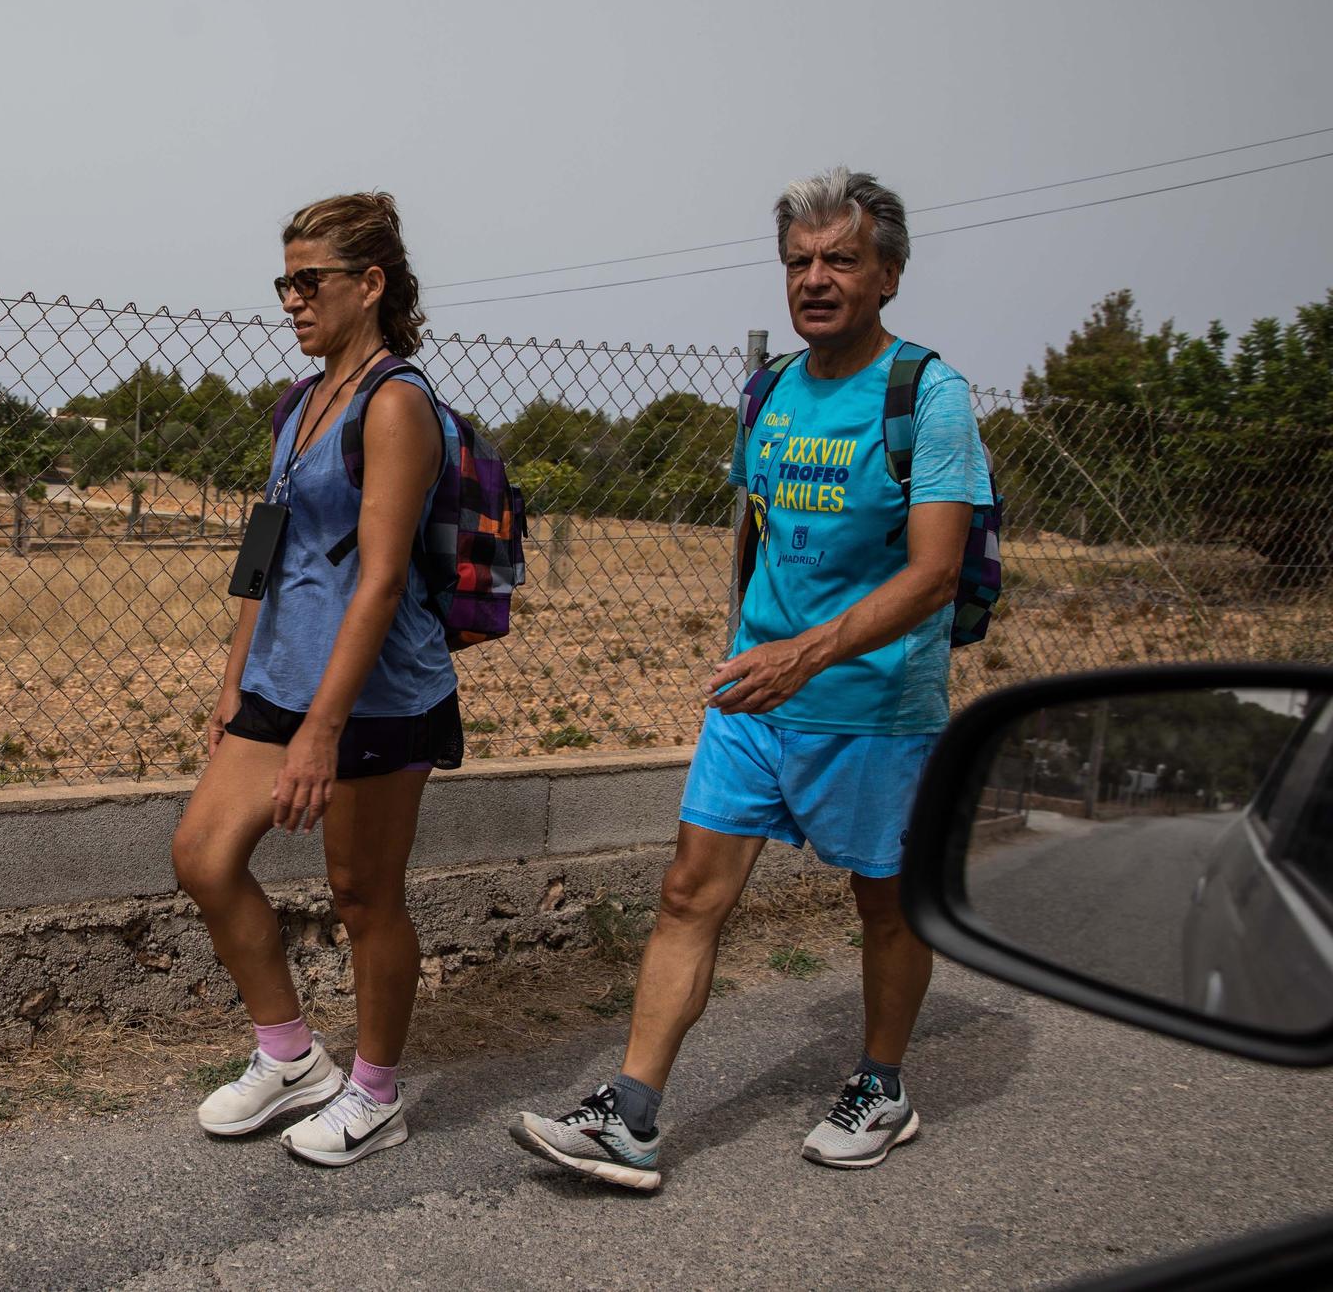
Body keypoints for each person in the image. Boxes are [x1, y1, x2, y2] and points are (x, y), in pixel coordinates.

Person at [511, 168, 991, 1190]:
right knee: (687, 890)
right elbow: (756, 523)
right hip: (753, 699)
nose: (814, 279)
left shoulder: (928, 397)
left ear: (887, 275)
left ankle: (880, 1083)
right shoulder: (768, 390)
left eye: (839, 260)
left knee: (884, 905)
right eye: (797, 262)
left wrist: (804, 652)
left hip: (872, 710)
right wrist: (743, 640)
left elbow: (935, 571)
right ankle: (630, 1114)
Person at [172, 192, 461, 1167]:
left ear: (368, 284)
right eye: (282, 282)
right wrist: (232, 679)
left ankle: (375, 1091)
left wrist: (321, 730)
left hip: (378, 693)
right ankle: (290, 1058)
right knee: (203, 856)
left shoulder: (396, 404)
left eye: (309, 282)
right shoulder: (299, 404)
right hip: (280, 673)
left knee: (361, 894)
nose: (290, 300)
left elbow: (379, 580)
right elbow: (264, 542)